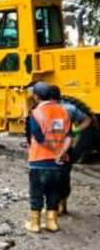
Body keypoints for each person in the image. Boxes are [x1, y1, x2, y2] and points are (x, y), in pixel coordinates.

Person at [25, 81, 73, 233]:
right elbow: (69, 136)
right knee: (54, 192)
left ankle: (34, 224)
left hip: (39, 161)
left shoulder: (35, 113)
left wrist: (54, 150)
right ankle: (52, 223)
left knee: (36, 193)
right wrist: (61, 152)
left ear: (37, 96)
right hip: (58, 163)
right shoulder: (64, 111)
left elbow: (39, 138)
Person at [49, 85, 93, 216]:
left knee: (52, 178)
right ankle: (63, 206)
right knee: (63, 177)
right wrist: (75, 131)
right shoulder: (70, 108)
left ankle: (55, 208)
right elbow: (88, 120)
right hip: (66, 149)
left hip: (52, 150)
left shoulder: (47, 110)